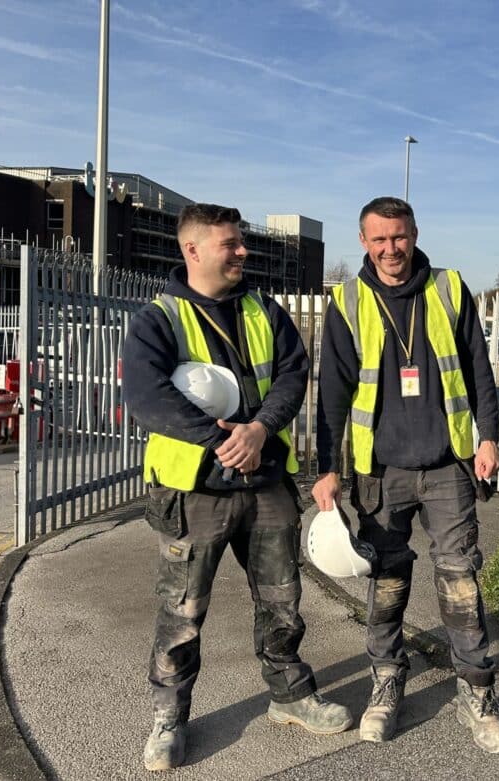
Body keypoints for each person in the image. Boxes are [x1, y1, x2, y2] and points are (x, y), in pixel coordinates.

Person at [123, 203, 351, 772]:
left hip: (266, 482)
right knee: (182, 611)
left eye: (241, 241)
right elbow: (148, 397)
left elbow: (295, 374)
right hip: (193, 491)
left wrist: (259, 429)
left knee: (281, 600)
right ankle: (170, 717)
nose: (243, 251)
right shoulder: (159, 319)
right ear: (193, 249)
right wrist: (222, 440)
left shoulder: (264, 311)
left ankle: (291, 696)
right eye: (231, 243)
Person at [311, 196, 499, 754]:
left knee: (460, 579)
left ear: (415, 233)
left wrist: (488, 436)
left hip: (448, 465)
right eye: (378, 239)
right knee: (388, 581)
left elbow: (478, 369)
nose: (390, 249)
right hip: (381, 472)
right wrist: (327, 469)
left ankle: (476, 689)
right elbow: (331, 394)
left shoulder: (448, 288)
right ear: (363, 242)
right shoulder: (348, 302)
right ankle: (386, 679)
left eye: (398, 237)